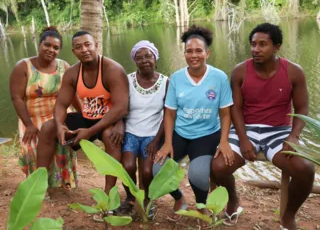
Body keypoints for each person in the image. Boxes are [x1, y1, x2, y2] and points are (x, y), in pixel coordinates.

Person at [210, 23, 315, 229]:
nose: (256, 49)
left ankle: (288, 216)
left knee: (305, 169)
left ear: (276, 47)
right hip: (246, 128)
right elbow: (236, 109)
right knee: (218, 166)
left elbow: (302, 109)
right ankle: (233, 199)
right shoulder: (240, 71)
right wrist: (243, 139)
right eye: (253, 44)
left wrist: (294, 136)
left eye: (262, 44)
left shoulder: (294, 72)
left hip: (279, 131)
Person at [153, 25, 234, 223]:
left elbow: (225, 113)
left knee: (197, 175)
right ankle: (180, 199)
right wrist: (167, 143)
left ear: (207, 53)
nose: (194, 55)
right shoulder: (177, 78)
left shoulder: (219, 77)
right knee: (158, 169)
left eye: (199, 50)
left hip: (206, 134)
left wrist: (224, 141)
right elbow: (170, 114)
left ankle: (201, 206)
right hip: (180, 132)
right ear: (184, 53)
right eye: (189, 51)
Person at [37, 31, 129, 194]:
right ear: (73, 51)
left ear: (96, 46)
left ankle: (109, 193)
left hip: (109, 119)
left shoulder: (112, 69)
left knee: (111, 136)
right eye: (78, 47)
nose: (84, 50)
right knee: (47, 128)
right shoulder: (72, 73)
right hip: (87, 118)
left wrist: (90, 132)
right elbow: (61, 104)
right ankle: (38, 186)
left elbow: (121, 107)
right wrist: (59, 125)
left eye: (88, 45)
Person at [9, 26, 79, 188]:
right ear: (39, 44)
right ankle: (38, 186)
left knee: (63, 142)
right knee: (33, 147)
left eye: (56, 47)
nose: (51, 50)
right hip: (32, 118)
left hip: (60, 115)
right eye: (47, 45)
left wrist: (85, 116)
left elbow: (73, 95)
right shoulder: (24, 66)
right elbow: (16, 98)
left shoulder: (64, 66)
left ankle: (63, 183)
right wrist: (29, 125)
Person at [120, 40, 168, 215]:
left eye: (148, 56)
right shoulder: (128, 80)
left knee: (147, 171)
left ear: (155, 57)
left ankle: (147, 199)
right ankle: (130, 198)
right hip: (131, 132)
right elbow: (121, 107)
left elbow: (168, 115)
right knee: (127, 167)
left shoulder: (165, 82)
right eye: (139, 58)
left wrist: (157, 140)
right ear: (135, 61)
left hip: (152, 134)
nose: (144, 60)